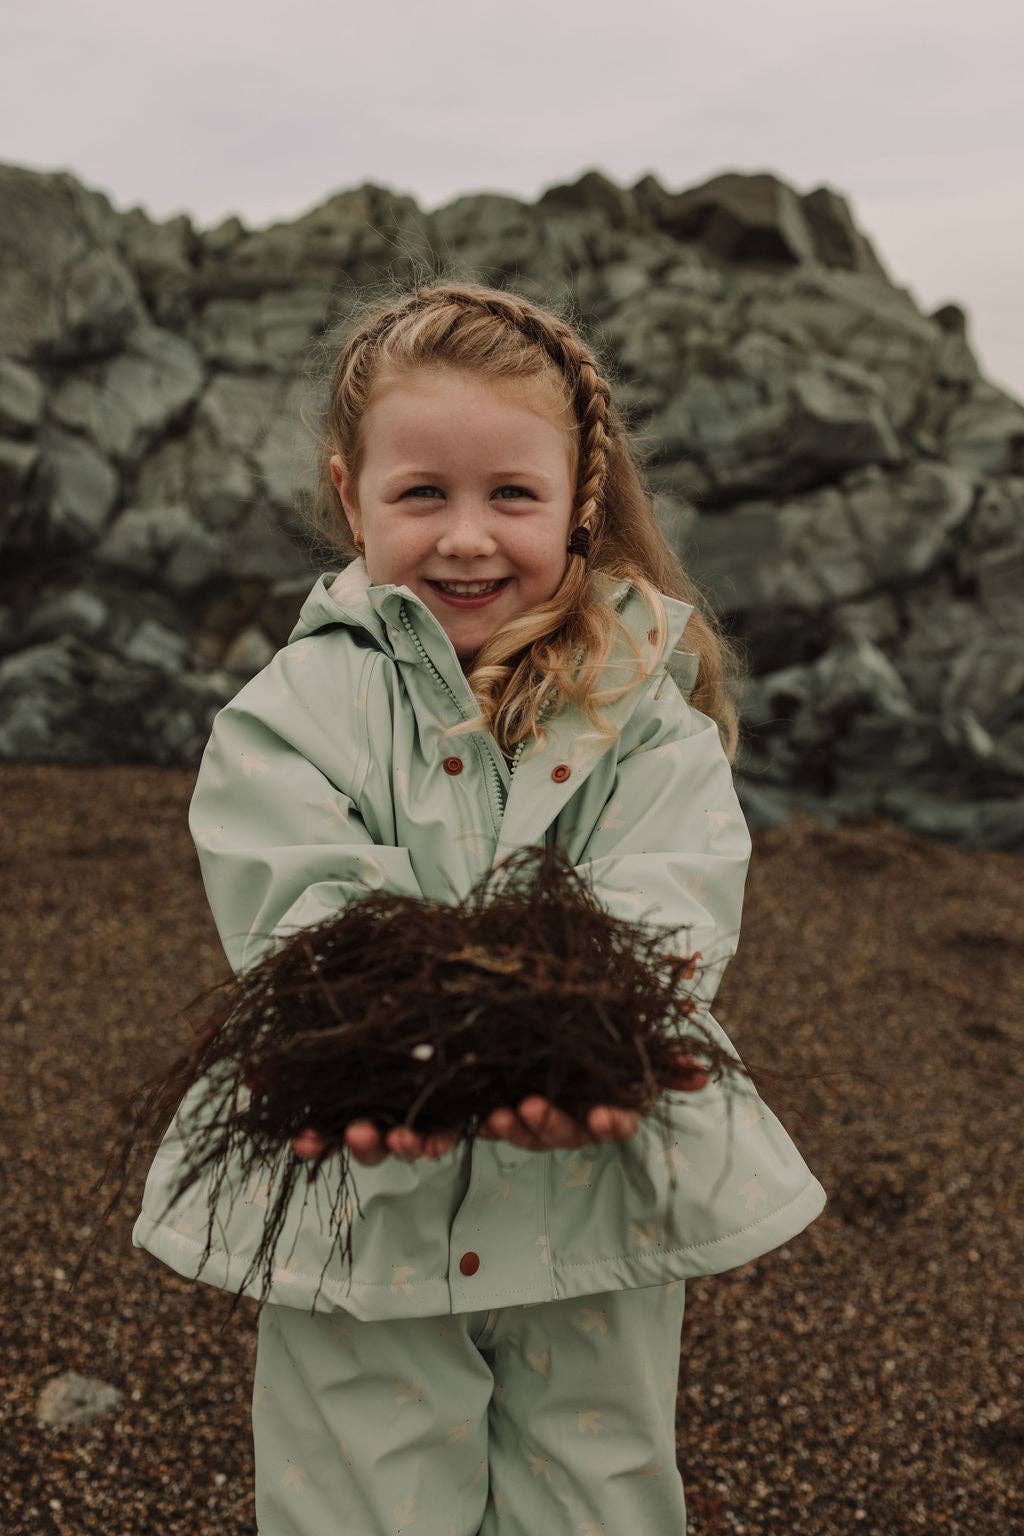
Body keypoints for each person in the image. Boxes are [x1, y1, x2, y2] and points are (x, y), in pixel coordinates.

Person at [132, 278, 827, 1535]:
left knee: (596, 1494)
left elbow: (665, 904)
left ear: (579, 505)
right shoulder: (286, 720)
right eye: (421, 495)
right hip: (363, 1188)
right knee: (364, 1496)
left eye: (512, 495)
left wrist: (578, 1027)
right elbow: (304, 919)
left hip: (591, 1175)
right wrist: (409, 1047)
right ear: (351, 499)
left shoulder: (645, 718)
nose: (466, 538)